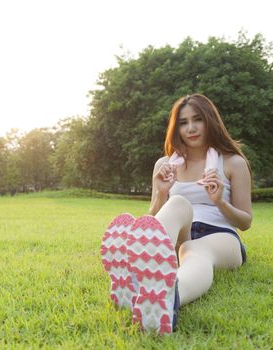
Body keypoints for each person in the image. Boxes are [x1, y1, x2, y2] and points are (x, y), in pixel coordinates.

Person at [100, 93, 252, 335]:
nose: (190, 128)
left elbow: (245, 221)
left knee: (193, 251)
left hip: (221, 237)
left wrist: (220, 202)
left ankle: (165, 299)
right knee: (178, 202)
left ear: (210, 120)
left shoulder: (233, 162)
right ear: (176, 127)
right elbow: (152, 216)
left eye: (197, 119)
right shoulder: (165, 164)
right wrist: (161, 193)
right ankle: (135, 273)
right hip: (181, 231)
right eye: (183, 122)